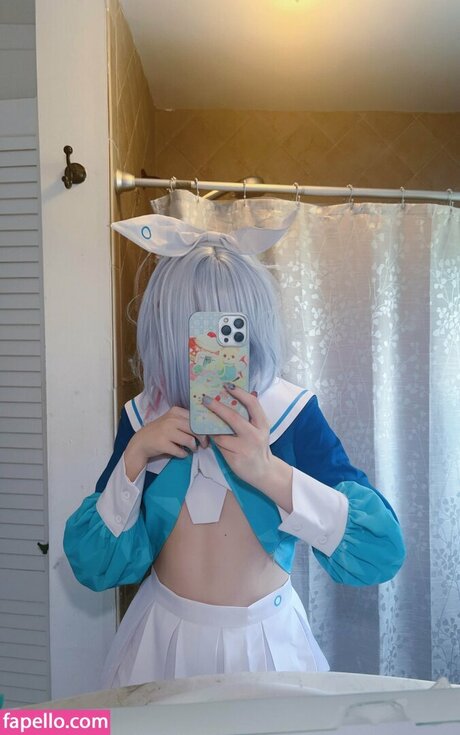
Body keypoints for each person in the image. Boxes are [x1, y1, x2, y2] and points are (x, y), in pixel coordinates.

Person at [63, 212, 406, 689]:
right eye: (197, 331)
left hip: (267, 644)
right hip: (160, 643)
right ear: (166, 331)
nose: (212, 349)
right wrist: (134, 458)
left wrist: (267, 470)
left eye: (229, 329)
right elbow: (96, 566)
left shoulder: (291, 413)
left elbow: (380, 551)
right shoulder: (145, 420)